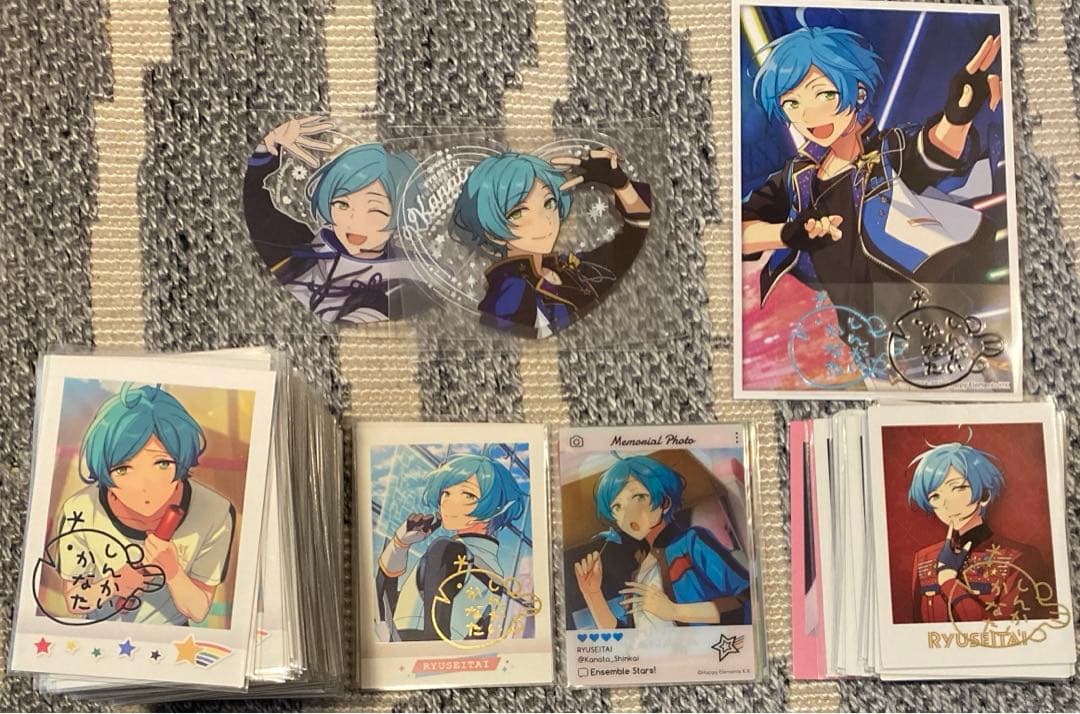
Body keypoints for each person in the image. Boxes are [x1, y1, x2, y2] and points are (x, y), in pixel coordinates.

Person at [742, 24, 1004, 333]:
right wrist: (787, 233)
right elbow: (740, 233)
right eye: (792, 103)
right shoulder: (797, 180)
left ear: (859, 92)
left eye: (824, 94)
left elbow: (932, 151)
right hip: (863, 337)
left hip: (934, 317)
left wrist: (958, 116)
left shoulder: (889, 150)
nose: (808, 116)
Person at [54, 384, 234, 626]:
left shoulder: (214, 512)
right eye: (123, 468)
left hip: (172, 640)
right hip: (98, 636)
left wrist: (172, 570)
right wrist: (114, 584)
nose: (144, 486)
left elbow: (198, 610)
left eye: (162, 464)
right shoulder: (81, 509)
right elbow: (74, 601)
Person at [243, 116, 427, 323]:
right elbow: (254, 205)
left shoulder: (417, 277)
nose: (354, 222)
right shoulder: (298, 249)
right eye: (343, 205)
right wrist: (268, 148)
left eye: (375, 210)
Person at [452, 148, 651, 338]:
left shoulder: (567, 268)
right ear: (492, 233)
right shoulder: (509, 293)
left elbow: (631, 240)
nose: (545, 221)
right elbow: (511, 333)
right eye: (518, 213)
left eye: (549, 203)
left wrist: (621, 186)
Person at [573, 455, 749, 631]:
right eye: (617, 507)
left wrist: (675, 611)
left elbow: (745, 601)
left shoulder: (690, 543)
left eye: (638, 497)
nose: (627, 513)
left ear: (664, 502)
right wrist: (592, 594)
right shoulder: (638, 574)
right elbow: (629, 640)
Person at [375, 454, 529, 642]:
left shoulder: (447, 550)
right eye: (446, 493)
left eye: (468, 495)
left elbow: (392, 621)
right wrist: (400, 544)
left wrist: (399, 545)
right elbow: (387, 610)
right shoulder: (494, 573)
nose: (449, 503)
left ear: (497, 508)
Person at [907, 440, 1053, 623]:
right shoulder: (925, 559)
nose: (946, 504)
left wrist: (949, 582)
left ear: (984, 494)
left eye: (958, 488)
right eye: (935, 496)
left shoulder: (1019, 558)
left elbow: (1007, 632)